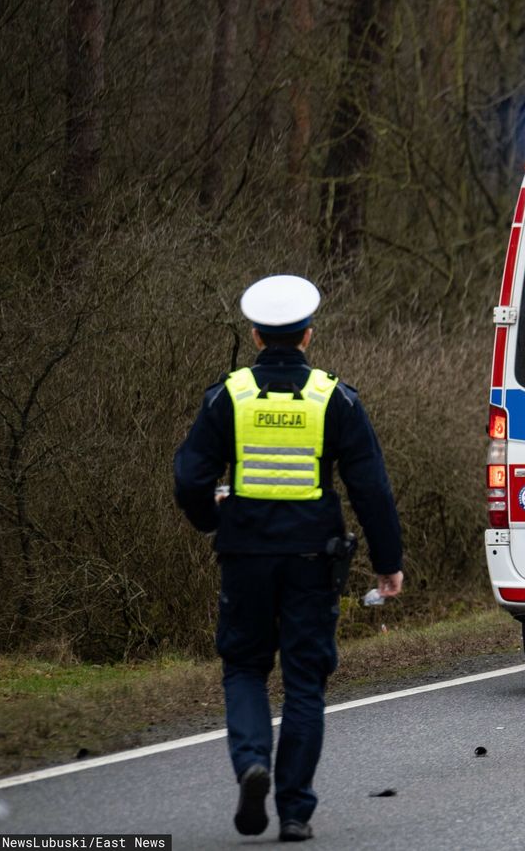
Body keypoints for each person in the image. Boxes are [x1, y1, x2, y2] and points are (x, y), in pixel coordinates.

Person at [174, 275, 403, 842]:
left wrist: (213, 516)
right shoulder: (335, 397)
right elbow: (370, 487)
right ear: (307, 336)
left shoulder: (228, 396)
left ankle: (252, 760)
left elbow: (188, 478)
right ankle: (294, 810)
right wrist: (387, 561)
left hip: (245, 554)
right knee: (305, 680)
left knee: (246, 666)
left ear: (255, 336)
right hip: (311, 559)